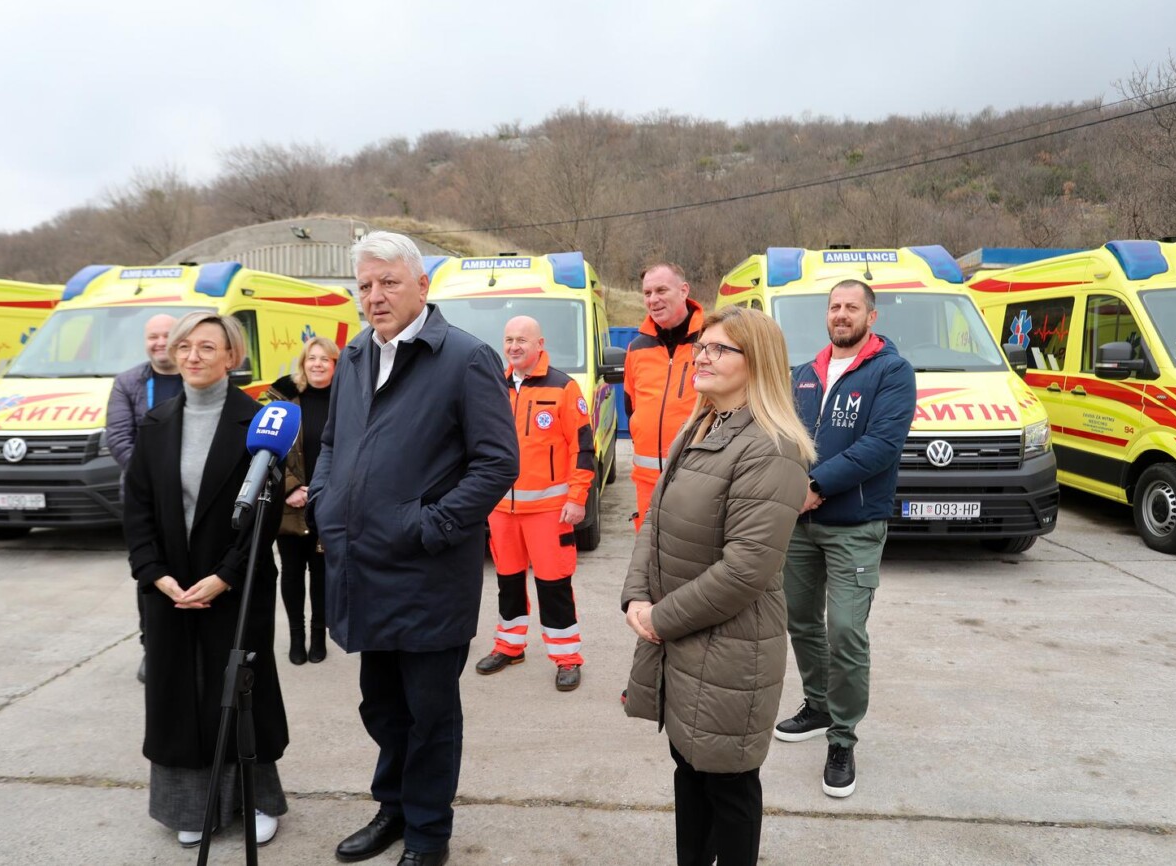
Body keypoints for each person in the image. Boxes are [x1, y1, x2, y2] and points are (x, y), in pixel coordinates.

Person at [307, 231, 518, 866]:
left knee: (430, 712)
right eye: (364, 286)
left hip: (427, 574)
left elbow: (496, 462)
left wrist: (428, 525)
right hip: (363, 569)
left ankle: (428, 832)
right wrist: (325, 500)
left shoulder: (464, 357)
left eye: (388, 282)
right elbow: (330, 445)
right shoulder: (352, 358)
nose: (374, 296)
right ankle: (393, 808)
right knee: (382, 703)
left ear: (422, 286)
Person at [622, 304, 814, 866]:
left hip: (730, 649)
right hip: (683, 638)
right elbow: (654, 519)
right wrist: (636, 595)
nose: (701, 356)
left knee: (726, 784)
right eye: (701, 346)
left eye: (718, 349)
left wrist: (660, 618)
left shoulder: (772, 447)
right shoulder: (702, 422)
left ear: (757, 363)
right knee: (689, 768)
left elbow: (746, 570)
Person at [123, 311, 288, 848]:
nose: (193, 356)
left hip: (235, 588)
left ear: (231, 358)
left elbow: (265, 520)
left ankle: (257, 801)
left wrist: (225, 577)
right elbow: (138, 511)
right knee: (176, 696)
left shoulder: (260, 425)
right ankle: (189, 807)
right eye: (185, 346)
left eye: (207, 347)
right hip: (170, 591)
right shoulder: (155, 424)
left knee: (240, 691)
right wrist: (155, 576)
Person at [773, 278, 916, 800]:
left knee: (846, 631)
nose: (842, 314)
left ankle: (842, 738)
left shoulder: (892, 373)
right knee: (800, 620)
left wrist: (815, 486)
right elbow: (783, 435)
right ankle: (818, 705)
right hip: (799, 525)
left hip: (855, 525)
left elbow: (882, 445)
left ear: (871, 317)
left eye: (852, 307)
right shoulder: (804, 374)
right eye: (835, 307)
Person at [474, 315, 594, 692]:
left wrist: (577, 499)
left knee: (553, 585)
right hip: (501, 511)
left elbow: (583, 449)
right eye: (508, 339)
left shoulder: (563, 387)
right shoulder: (494, 386)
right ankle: (509, 647)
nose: (514, 346)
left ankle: (567, 657)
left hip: (549, 512)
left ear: (540, 344)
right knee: (508, 583)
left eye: (522, 340)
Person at [106, 313, 182, 683]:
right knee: (150, 572)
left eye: (167, 335)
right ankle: (151, 648)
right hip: (145, 498)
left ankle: (188, 645)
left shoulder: (195, 375)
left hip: (192, 493)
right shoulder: (129, 383)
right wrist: (158, 481)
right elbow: (119, 438)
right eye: (153, 336)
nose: (160, 342)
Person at [265, 336, 339, 666]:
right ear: (303, 363)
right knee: (292, 572)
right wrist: (292, 487)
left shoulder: (346, 400)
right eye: (312, 358)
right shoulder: (283, 401)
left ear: (336, 366)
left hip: (329, 502)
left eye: (325, 359)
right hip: (289, 503)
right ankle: (297, 637)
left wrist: (324, 489)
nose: (318, 364)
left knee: (322, 574)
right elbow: (267, 449)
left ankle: (318, 635)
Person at [624, 262, 704, 531]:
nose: (653, 299)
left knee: (692, 555)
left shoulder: (711, 342)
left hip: (697, 478)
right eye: (647, 293)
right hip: (647, 482)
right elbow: (631, 408)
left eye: (661, 290)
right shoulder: (636, 348)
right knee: (648, 559)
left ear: (684, 291)